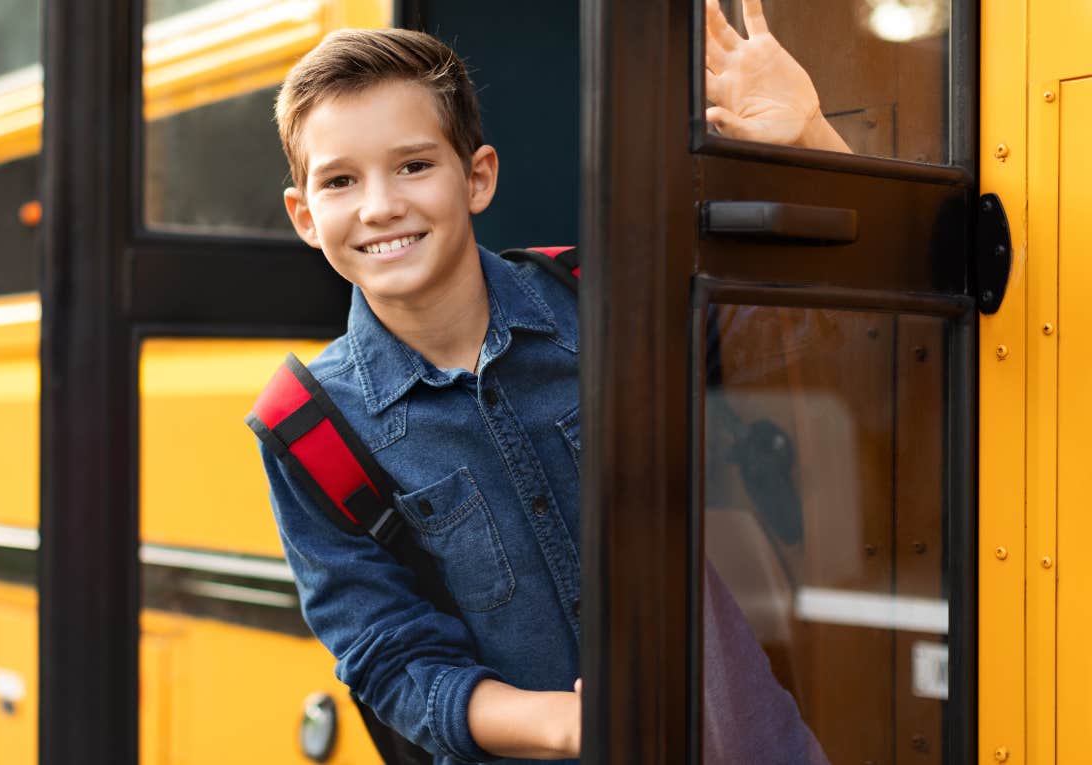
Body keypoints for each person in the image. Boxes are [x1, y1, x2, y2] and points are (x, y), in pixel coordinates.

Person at [257, 5, 843, 762]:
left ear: (477, 177)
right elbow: (393, 659)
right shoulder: (310, 428)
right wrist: (567, 725)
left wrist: (812, 144)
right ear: (305, 216)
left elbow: (821, 334)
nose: (380, 206)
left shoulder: (605, 301)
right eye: (340, 180)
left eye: (413, 165)